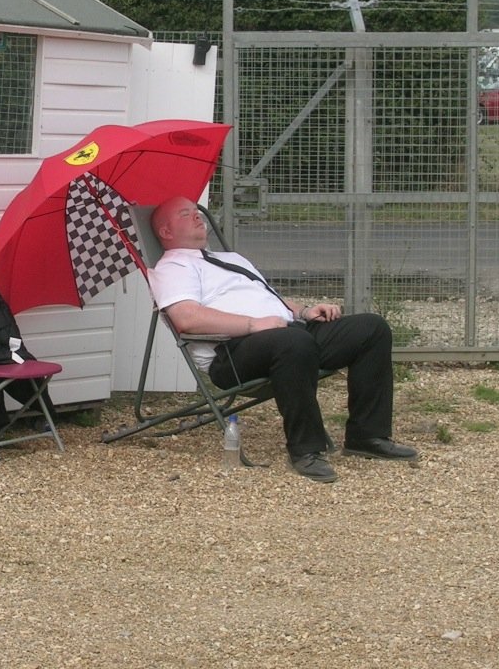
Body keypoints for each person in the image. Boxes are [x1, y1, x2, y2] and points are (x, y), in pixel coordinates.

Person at [147, 196, 417, 483]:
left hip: (286, 333)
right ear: (166, 232)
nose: (198, 216)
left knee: (371, 329)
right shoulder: (172, 269)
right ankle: (306, 450)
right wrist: (253, 325)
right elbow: (187, 318)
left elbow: (267, 298)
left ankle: (367, 436)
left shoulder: (230, 259)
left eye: (197, 210)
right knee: (292, 343)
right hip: (233, 353)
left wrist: (304, 310)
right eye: (186, 214)